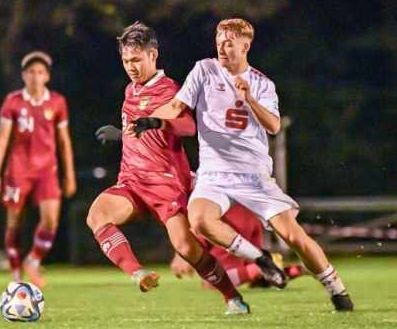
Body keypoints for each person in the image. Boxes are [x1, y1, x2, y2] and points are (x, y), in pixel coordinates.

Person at [138, 18, 354, 312]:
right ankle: (261, 259)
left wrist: (249, 99)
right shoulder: (204, 70)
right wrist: (146, 120)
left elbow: (274, 126)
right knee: (199, 219)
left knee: (293, 236)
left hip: (253, 175)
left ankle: (336, 288)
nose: (222, 48)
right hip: (214, 172)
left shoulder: (262, 83)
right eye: (219, 41)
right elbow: (177, 107)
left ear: (245, 45)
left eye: (229, 42)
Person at [86, 21, 251, 315]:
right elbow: (137, 131)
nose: (131, 67)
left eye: (136, 59)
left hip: (166, 184)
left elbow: (189, 126)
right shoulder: (130, 90)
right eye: (126, 61)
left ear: (153, 55)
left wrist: (156, 122)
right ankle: (138, 273)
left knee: (187, 250)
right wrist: (120, 133)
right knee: (97, 215)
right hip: (132, 182)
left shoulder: (170, 89)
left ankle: (232, 297)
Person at [0, 51, 77, 288]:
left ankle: (34, 260)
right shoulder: (13, 101)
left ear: (47, 76)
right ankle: (16, 273)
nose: (35, 77)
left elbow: (64, 140)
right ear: (23, 75)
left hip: (47, 169)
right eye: (30, 72)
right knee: (14, 222)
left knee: (50, 220)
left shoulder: (57, 102)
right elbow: (2, 138)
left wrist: (70, 174)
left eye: (40, 72)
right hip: (18, 169)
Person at [169, 203, 309, 289]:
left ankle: (263, 267)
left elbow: (194, 217)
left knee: (214, 281)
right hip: (248, 212)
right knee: (255, 277)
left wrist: (181, 252)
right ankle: (301, 269)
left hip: (226, 215)